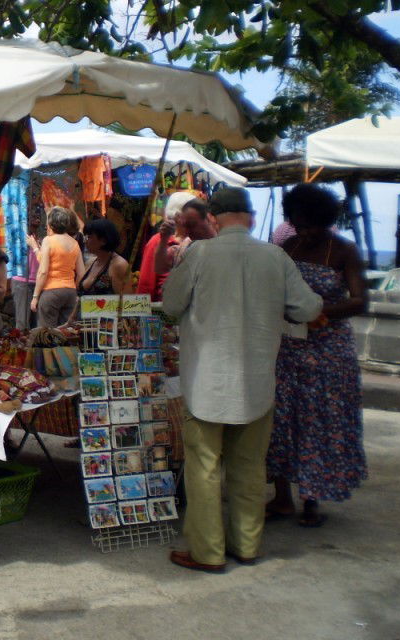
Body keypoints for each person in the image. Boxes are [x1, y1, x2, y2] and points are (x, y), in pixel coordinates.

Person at [162, 187, 322, 572]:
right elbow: (309, 306)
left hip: (206, 383)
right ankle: (247, 546)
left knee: (203, 470)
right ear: (250, 218)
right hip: (257, 383)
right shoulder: (275, 255)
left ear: (214, 218)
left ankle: (208, 553)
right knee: (250, 469)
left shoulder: (199, 253)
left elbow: (170, 306)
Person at [265, 183, 368, 528]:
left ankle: (312, 497)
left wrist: (323, 313)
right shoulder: (288, 246)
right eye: (298, 224)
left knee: (317, 423)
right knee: (281, 421)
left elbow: (359, 300)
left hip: (327, 353)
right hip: (288, 349)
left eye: (310, 225)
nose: (304, 232)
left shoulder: (344, 251)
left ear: (323, 220)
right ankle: (282, 497)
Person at [31, 207, 86, 327]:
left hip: (51, 292)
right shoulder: (75, 243)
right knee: (66, 333)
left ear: (51, 224)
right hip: (70, 293)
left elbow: (43, 271)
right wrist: (73, 288)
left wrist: (35, 297)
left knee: (46, 335)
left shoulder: (48, 241)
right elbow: (82, 273)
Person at [137, 191, 195, 300]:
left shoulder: (196, 238)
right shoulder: (157, 241)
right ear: (178, 216)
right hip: (163, 310)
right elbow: (146, 284)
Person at [154, 197, 217, 272]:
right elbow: (159, 268)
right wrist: (164, 239)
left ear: (208, 218)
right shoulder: (184, 248)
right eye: (185, 226)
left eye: (192, 225)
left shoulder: (224, 243)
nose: (188, 231)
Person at [78, 218, 131, 296]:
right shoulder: (91, 262)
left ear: (103, 241)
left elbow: (127, 302)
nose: (85, 241)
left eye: (89, 237)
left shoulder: (119, 265)